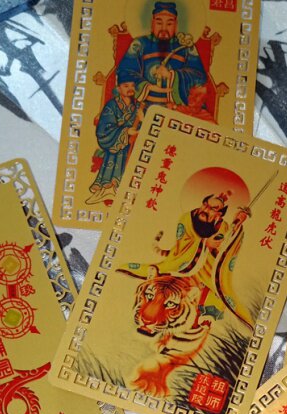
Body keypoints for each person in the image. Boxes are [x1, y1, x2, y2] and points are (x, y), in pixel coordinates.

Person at [121, 192, 253, 330]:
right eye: (205, 204)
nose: (205, 209)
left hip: (207, 269)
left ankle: (205, 317)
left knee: (220, 294)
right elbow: (182, 242)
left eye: (212, 208)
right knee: (158, 279)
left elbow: (225, 244)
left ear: (219, 214)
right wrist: (204, 243)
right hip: (180, 262)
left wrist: (237, 223)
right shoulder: (186, 219)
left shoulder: (223, 226)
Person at [117, 2, 208, 112]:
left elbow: (199, 77)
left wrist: (172, 75)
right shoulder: (139, 44)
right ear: (152, 23)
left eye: (169, 24)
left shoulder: (185, 47)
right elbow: (125, 72)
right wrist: (147, 87)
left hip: (176, 109)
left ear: (176, 25)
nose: (164, 28)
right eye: (159, 23)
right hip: (144, 107)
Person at [87, 70, 143, 204]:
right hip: (115, 145)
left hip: (133, 146)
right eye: (126, 86)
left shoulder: (138, 106)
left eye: (132, 86)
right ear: (118, 88)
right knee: (113, 166)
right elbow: (104, 129)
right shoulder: (111, 106)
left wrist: (142, 119)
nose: (130, 89)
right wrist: (125, 132)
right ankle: (107, 189)